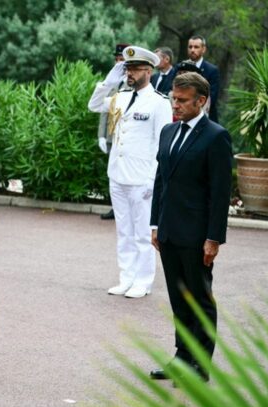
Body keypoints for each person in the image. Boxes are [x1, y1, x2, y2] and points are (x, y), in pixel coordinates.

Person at [149, 72, 232, 382]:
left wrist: (214, 238)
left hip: (197, 237)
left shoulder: (216, 136)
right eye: (174, 98)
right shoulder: (168, 132)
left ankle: (200, 366)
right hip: (169, 232)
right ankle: (182, 358)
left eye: (183, 101)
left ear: (201, 101)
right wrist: (155, 223)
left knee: (200, 300)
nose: (176, 104)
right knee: (179, 298)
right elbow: (161, 181)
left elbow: (220, 193)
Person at [87, 45, 172, 299]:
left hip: (141, 178)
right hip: (118, 174)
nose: (130, 73)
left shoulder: (159, 103)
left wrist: (153, 180)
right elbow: (93, 106)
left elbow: (163, 145)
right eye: (127, 69)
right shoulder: (120, 97)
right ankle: (126, 277)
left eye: (134, 69)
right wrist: (110, 80)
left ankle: (143, 281)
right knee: (123, 231)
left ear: (148, 70)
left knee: (143, 233)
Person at [98, 43, 130, 221]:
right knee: (113, 174)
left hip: (128, 136)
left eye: (122, 60)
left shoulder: (135, 82)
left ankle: (125, 208)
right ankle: (114, 207)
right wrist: (101, 135)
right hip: (112, 135)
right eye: (117, 59)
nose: (118, 63)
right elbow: (103, 109)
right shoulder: (112, 80)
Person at [186, 36, 220, 122]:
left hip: (205, 118)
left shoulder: (212, 70)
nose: (192, 50)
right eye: (190, 47)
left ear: (203, 49)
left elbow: (212, 96)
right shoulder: (180, 68)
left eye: (196, 47)